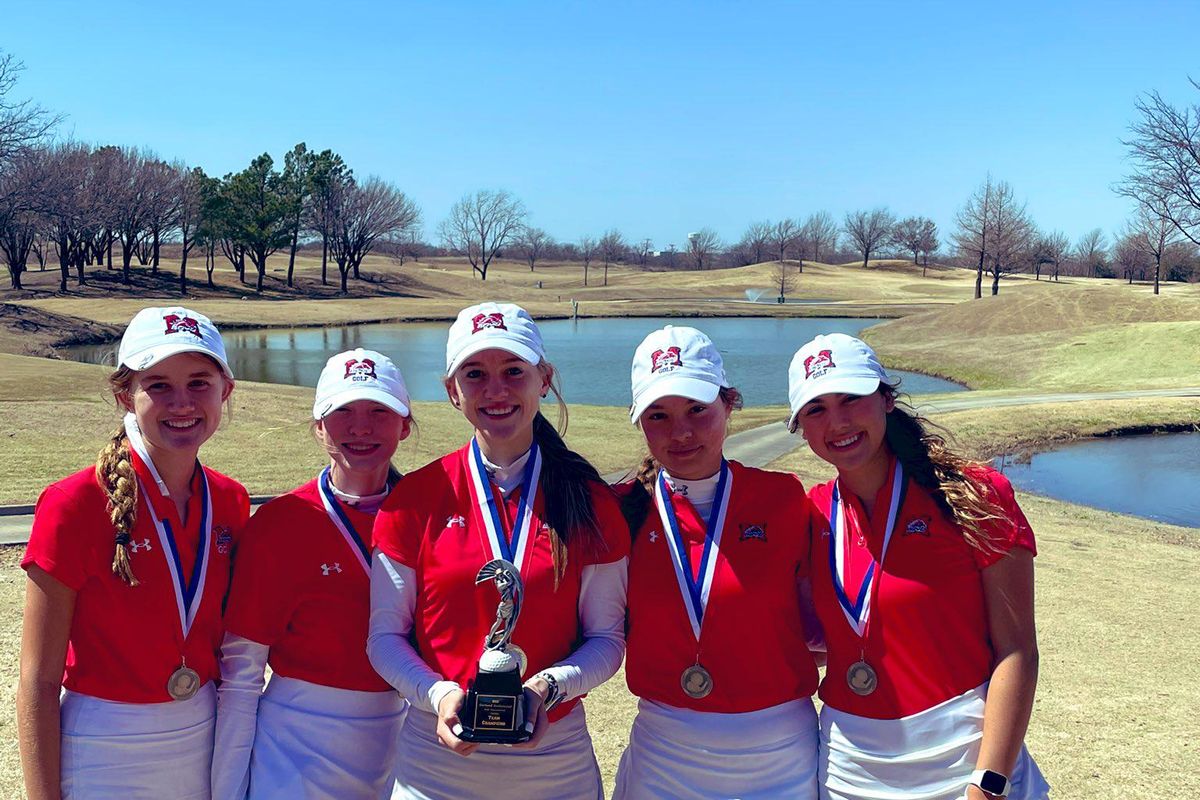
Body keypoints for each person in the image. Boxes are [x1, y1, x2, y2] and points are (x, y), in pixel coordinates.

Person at [367, 302, 628, 800]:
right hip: (435, 757)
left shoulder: (590, 501)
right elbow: (384, 638)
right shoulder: (413, 500)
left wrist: (545, 689)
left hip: (553, 758)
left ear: (544, 379)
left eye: (514, 371)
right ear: (452, 390)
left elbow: (606, 640)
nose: (496, 390)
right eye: (475, 374)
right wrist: (438, 694)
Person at [786, 333, 1050, 800]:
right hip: (849, 767)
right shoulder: (811, 514)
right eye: (816, 409)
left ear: (886, 399)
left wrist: (988, 783)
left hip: (963, 759)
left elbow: (1017, 653)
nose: (838, 421)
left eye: (851, 398)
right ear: (801, 427)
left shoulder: (974, 495)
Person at [17, 306, 249, 800]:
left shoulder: (230, 500)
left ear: (225, 390)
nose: (182, 403)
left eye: (199, 383)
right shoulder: (73, 503)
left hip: (204, 731)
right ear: (126, 394)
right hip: (104, 745)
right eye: (158, 385)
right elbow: (37, 681)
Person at [611, 325, 822, 800]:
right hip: (665, 753)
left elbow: (818, 627)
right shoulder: (620, 510)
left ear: (728, 405)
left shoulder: (784, 499)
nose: (680, 432)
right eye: (658, 416)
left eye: (697, 410)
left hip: (780, 753)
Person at [211, 348, 413, 799]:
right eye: (342, 411)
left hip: (408, 737)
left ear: (405, 423)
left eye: (379, 410)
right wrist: (227, 789)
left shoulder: (429, 515)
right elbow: (242, 675)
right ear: (319, 425)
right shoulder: (282, 522)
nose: (361, 427)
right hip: (298, 747)